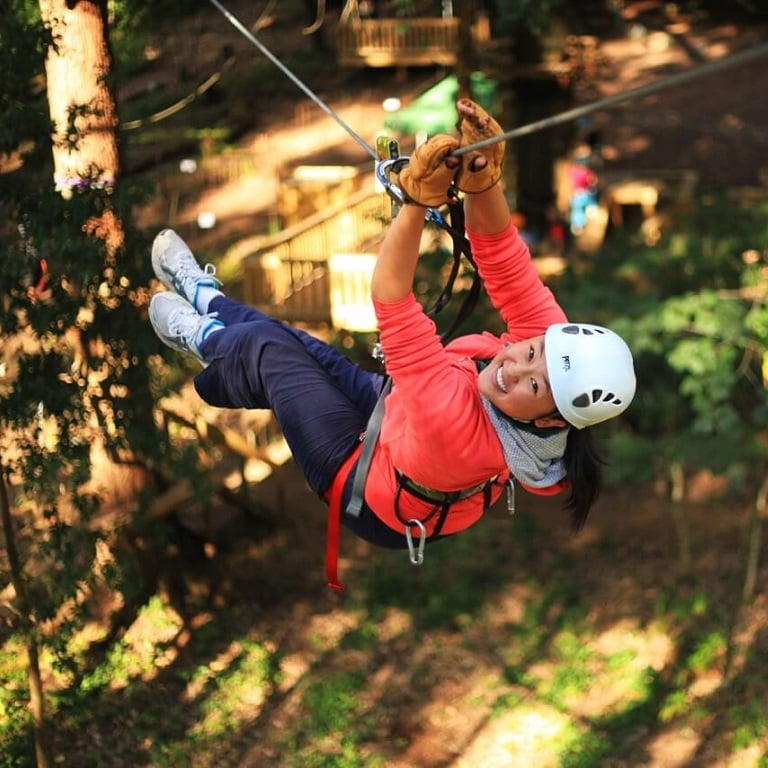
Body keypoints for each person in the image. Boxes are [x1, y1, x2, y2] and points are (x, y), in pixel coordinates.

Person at [147, 99, 636, 586]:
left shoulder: (453, 424)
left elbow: (391, 298)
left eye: (533, 386)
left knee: (271, 355)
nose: (515, 367)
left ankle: (204, 338)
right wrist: (483, 181)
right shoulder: (549, 353)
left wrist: (414, 204)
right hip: (397, 421)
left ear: (552, 420)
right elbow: (502, 256)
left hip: (367, 487)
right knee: (295, 343)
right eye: (530, 353)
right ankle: (206, 297)